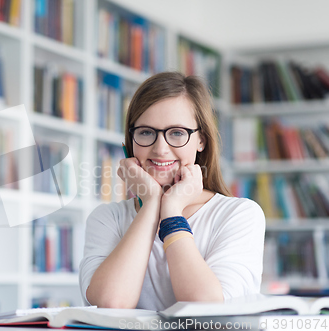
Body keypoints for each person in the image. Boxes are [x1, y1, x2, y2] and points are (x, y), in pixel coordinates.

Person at [79, 72, 265, 310]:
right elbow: (111, 303)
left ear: (201, 141)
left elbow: (206, 309)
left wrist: (172, 212)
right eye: (146, 132)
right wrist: (152, 204)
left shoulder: (239, 215)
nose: (160, 149)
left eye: (177, 133)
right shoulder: (107, 219)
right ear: (130, 140)